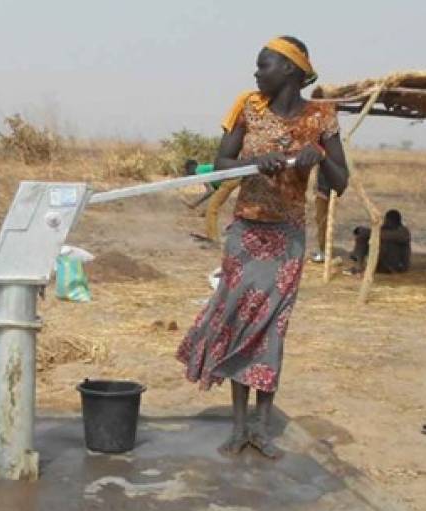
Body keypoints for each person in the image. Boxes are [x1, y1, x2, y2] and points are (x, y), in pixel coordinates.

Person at [176, 36, 349, 459]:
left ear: (290, 69)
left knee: (271, 330)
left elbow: (340, 181)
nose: (256, 73)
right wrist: (258, 162)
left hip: (287, 238)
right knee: (239, 323)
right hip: (246, 235)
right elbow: (220, 164)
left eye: (263, 65)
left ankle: (262, 429)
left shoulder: (321, 118)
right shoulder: (248, 108)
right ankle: (238, 428)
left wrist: (319, 154)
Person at [183, 158, 241, 246]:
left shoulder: (199, 171)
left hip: (230, 180)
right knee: (212, 207)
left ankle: (213, 239)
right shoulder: (203, 169)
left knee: (211, 209)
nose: (188, 173)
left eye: (187, 171)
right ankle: (214, 235)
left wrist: (195, 203)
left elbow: (210, 190)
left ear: (190, 167)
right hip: (232, 179)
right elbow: (214, 190)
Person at [349, 209, 411, 274]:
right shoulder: (385, 228)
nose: (385, 222)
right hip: (383, 262)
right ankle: (358, 265)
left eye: (387, 220)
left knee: (383, 242)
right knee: (362, 237)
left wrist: (365, 231)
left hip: (397, 265)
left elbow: (384, 236)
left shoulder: (403, 232)